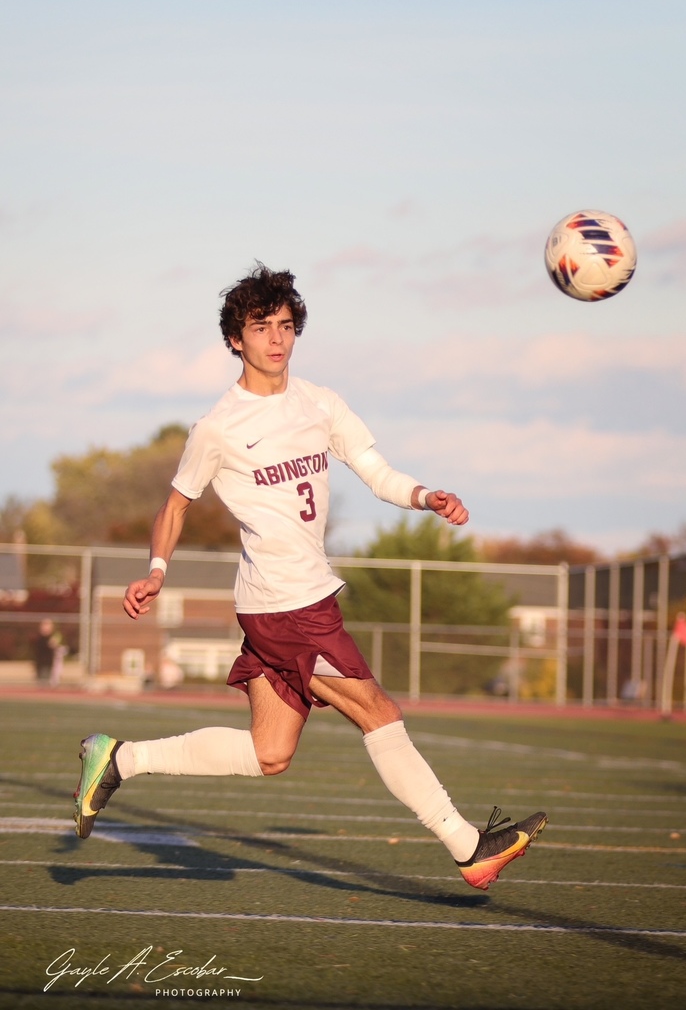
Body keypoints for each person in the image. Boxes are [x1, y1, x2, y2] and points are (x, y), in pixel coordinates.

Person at [73, 262, 547, 891]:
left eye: (286, 324)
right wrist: (157, 570)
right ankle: (467, 847)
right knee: (378, 709)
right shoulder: (218, 427)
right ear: (234, 339)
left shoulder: (321, 404)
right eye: (260, 325)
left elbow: (376, 471)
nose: (276, 337)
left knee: (269, 753)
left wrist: (427, 495)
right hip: (284, 605)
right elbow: (177, 502)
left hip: (298, 600)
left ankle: (119, 759)